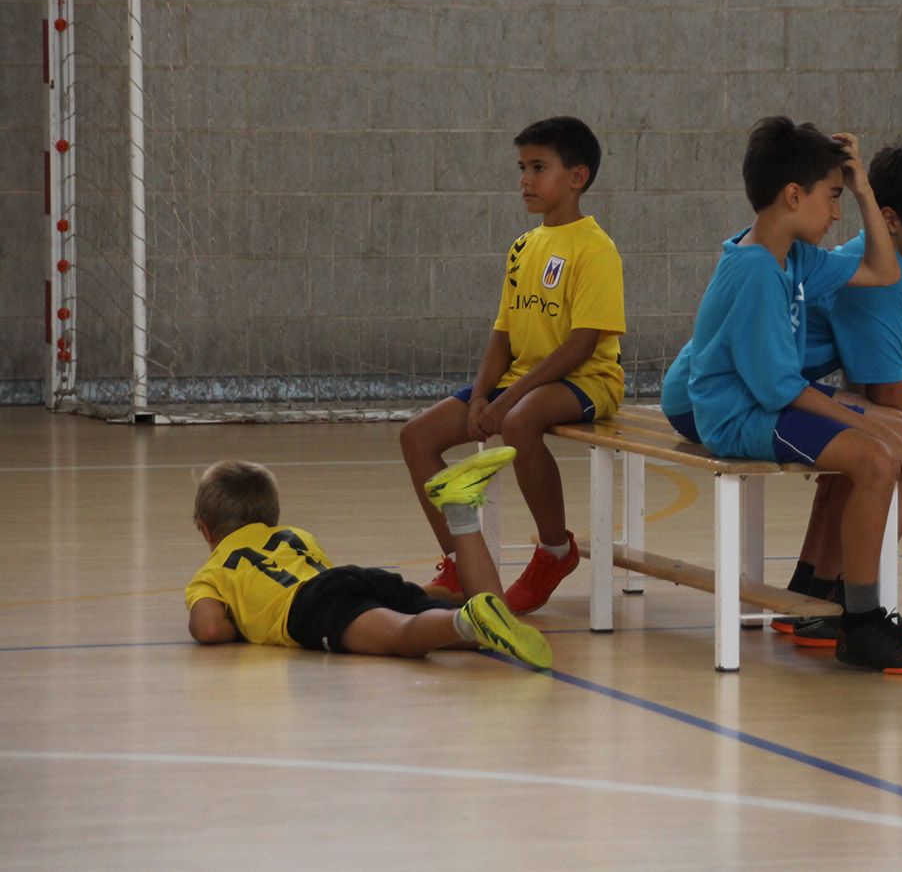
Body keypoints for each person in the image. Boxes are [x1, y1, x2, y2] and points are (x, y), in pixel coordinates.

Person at [660, 116, 902, 674]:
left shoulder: (794, 255)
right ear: (794, 195)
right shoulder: (756, 272)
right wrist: (871, 427)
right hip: (737, 415)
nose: (838, 213)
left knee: (896, 443)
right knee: (874, 458)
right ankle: (858, 618)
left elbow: (883, 270)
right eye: (832, 198)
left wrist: (863, 187)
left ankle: (834, 603)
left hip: (765, 402)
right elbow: (780, 390)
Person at [399, 116, 626, 614]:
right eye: (522, 167)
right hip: (519, 381)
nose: (525, 179)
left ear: (577, 177)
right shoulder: (523, 246)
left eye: (538, 167)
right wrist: (482, 395)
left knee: (521, 421)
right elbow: (501, 333)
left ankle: (555, 551)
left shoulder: (596, 248)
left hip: (586, 381)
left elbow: (583, 343)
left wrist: (513, 395)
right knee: (417, 436)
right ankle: (461, 560)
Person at [776, 144, 902, 652]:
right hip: (772, 396)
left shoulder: (865, 259)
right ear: (891, 219)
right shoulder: (877, 279)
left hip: (785, 392)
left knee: (873, 447)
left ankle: (811, 595)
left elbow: (866, 387)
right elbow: (883, 389)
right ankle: (851, 605)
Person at [185, 448, 551, 668]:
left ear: (205, 529)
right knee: (479, 631)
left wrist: (244, 623)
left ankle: (466, 616)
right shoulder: (294, 535)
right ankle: (462, 517)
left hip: (308, 608)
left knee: (404, 639)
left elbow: (210, 628)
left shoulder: (213, 571)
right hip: (355, 579)